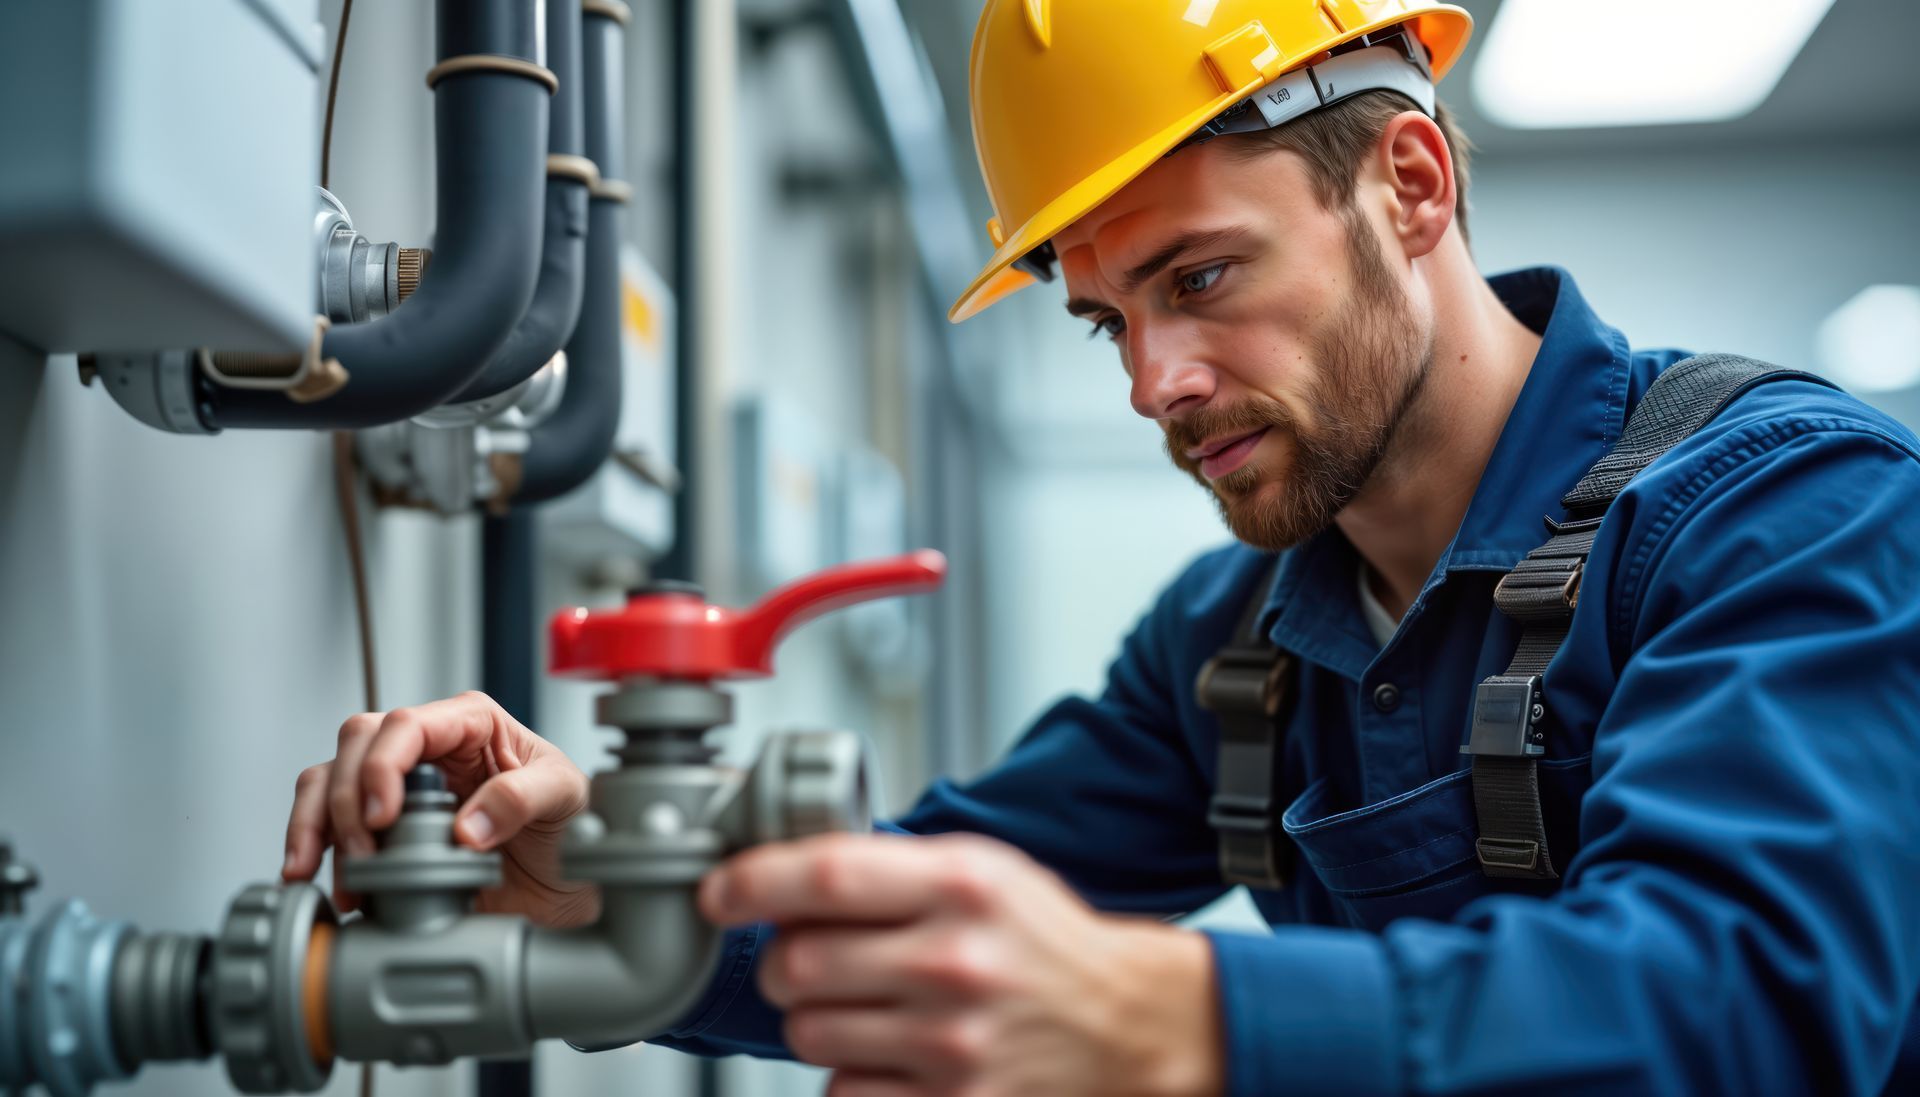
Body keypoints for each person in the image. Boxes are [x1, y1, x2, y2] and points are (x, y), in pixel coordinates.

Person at [282, 2, 1920, 1093]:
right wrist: (600, 873)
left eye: (1200, 278)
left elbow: (1753, 999)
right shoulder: (1244, 645)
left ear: (1409, 185)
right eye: (1106, 321)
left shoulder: (1780, 517)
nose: (1156, 381)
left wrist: (1174, 1015)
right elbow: (939, 913)